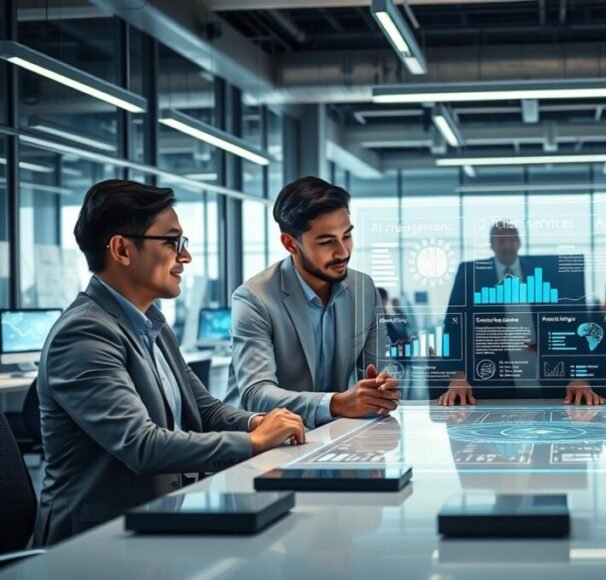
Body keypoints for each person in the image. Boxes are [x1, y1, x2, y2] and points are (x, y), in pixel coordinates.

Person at [35, 180, 306, 545]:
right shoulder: (84, 333)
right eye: (172, 242)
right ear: (121, 249)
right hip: (96, 544)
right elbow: (141, 445)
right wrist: (254, 442)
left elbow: (205, 410)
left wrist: (261, 422)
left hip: (159, 520)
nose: (186, 257)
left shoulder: (152, 323)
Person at [226, 177, 399, 429]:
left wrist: (384, 387)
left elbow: (384, 368)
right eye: (327, 242)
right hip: (259, 440)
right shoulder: (254, 298)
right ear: (290, 244)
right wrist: (337, 403)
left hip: (329, 435)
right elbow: (256, 394)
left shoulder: (364, 289)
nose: (343, 252)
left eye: (347, 236)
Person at [437, 220, 604, 406]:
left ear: (519, 243)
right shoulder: (470, 273)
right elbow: (453, 327)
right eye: (500, 241)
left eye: (511, 240)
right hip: (492, 375)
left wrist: (578, 374)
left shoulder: (544, 272)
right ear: (491, 245)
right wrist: (458, 375)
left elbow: (567, 324)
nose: (507, 245)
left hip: (542, 369)